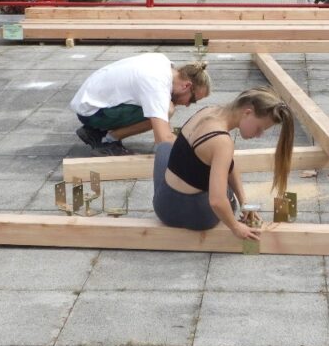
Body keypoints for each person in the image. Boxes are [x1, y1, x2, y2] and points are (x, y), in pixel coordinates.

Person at [152, 87, 294, 241]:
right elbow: (217, 201)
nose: (259, 135)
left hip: (163, 207)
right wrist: (236, 227)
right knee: (223, 188)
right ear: (247, 112)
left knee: (164, 148)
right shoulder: (222, 142)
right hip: (199, 216)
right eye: (260, 128)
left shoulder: (208, 111)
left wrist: (244, 202)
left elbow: (228, 164)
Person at [70, 53, 211, 156]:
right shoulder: (157, 84)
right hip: (91, 111)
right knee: (166, 110)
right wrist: (197, 151)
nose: (187, 105)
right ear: (186, 86)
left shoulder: (163, 62)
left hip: (91, 101)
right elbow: (163, 138)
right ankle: (107, 141)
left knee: (162, 108)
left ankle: (94, 132)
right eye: (192, 100)